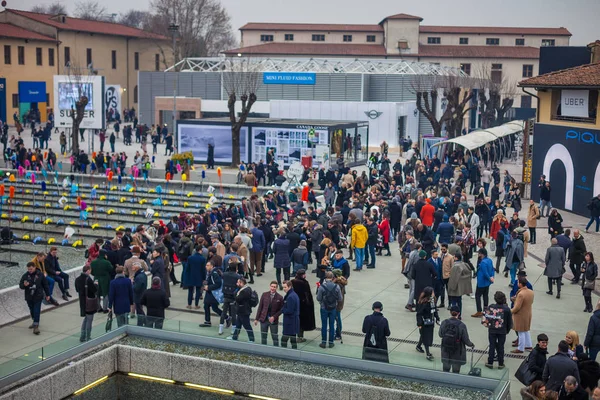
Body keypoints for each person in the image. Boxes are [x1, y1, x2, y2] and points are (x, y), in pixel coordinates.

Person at [439, 305, 475, 373]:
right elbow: (466, 340)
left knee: (445, 370)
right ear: (459, 313)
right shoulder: (461, 325)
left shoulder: (444, 322)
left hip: (445, 350)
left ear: (450, 312)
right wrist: (471, 345)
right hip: (457, 351)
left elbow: (440, 334)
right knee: (456, 371)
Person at [19, 262, 51, 335]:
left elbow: (45, 284)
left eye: (31, 269)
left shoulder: (40, 274)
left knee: (36, 310)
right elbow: (20, 286)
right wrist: (24, 285)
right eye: (28, 269)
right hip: (29, 296)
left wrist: (48, 294)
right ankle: (34, 321)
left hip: (38, 295)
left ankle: (36, 326)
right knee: (32, 310)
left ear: (34, 267)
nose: (29, 270)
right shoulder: (25, 275)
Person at [482, 291, 512, 369]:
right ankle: (501, 363)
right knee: (501, 346)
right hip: (502, 331)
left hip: (492, 330)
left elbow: (486, 318)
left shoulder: (491, 307)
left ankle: (490, 362)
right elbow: (509, 322)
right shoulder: (507, 309)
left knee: (492, 345)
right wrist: (507, 330)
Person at [316, 271, 343, 349]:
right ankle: (331, 342)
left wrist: (321, 302)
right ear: (332, 278)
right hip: (333, 308)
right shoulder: (336, 287)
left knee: (324, 325)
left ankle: (323, 342)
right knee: (332, 325)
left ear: (325, 277)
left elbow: (318, 298)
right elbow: (340, 298)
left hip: (324, 308)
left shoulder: (322, 287)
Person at [254, 281, 284, 346]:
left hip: (273, 321)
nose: (273, 288)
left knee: (275, 337)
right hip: (263, 319)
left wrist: (274, 317)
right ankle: (264, 350)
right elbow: (260, 307)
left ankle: (276, 350)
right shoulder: (264, 295)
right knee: (263, 337)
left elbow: (281, 310)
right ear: (270, 286)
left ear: (276, 288)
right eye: (272, 286)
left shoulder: (280, 297)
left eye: (274, 287)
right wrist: (256, 319)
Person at [511, 277, 535, 354]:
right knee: (526, 330)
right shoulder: (531, 292)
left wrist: (510, 311)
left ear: (520, 284)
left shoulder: (521, 294)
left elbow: (517, 307)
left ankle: (520, 348)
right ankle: (528, 345)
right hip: (528, 313)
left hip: (520, 315)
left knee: (520, 331)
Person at [291, 269, 316, 342]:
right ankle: (300, 337)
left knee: (296, 321)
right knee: (302, 322)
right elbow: (307, 294)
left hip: (295, 304)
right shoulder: (304, 283)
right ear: (302, 275)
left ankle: (295, 336)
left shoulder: (293, 282)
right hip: (303, 306)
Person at [75, 265, 97, 342]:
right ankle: (88, 336)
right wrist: (96, 285)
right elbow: (94, 290)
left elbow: (77, 290)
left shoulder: (77, 279)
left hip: (82, 301)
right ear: (88, 270)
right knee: (89, 319)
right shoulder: (88, 279)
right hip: (89, 302)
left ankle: (82, 336)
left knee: (86, 318)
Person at [416, 287, 439, 361]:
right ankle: (428, 353)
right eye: (432, 292)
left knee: (424, 335)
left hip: (430, 322)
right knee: (426, 337)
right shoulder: (424, 303)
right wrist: (419, 324)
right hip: (424, 323)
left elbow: (434, 310)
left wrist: (437, 318)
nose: (434, 293)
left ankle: (419, 346)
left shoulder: (432, 301)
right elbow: (419, 314)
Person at [230, 277, 255, 342]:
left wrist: (236, 290)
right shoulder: (247, 289)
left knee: (247, 326)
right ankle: (234, 337)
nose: (236, 283)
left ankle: (251, 339)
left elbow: (237, 298)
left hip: (244, 311)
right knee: (238, 325)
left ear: (241, 283)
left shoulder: (244, 291)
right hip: (241, 311)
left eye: (238, 282)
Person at [199, 261, 223, 327]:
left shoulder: (214, 273)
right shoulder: (210, 273)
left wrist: (208, 287)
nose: (206, 266)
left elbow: (218, 284)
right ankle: (226, 318)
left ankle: (208, 321)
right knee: (212, 307)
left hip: (212, 293)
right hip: (210, 293)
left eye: (207, 265)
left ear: (212, 266)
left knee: (210, 307)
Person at [473, 248, 495, 318]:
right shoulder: (489, 260)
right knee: (485, 295)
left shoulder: (483, 262)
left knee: (477, 296)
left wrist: (488, 277)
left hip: (481, 281)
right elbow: (492, 269)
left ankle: (479, 311)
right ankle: (485, 310)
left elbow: (485, 272)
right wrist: (492, 277)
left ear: (481, 254)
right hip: (487, 282)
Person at [184, 246, 206, 310]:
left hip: (191, 276)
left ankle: (189, 304)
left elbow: (187, 268)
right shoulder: (202, 259)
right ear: (200, 250)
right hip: (199, 276)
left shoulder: (190, 258)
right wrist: (204, 278)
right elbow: (203, 270)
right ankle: (196, 305)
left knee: (190, 291)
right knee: (198, 291)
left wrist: (186, 276)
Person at [281, 280, 300, 348]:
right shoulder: (293, 294)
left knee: (284, 340)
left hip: (290, 321)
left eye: (285, 287)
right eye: (283, 287)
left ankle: (284, 353)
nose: (284, 289)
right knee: (293, 339)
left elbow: (289, 310)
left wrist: (282, 310)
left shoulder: (290, 297)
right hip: (293, 320)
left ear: (290, 287)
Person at [131, 262, 147, 327]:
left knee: (139, 311)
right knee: (140, 310)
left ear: (137, 267)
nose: (132, 267)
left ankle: (143, 323)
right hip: (141, 295)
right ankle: (142, 322)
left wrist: (132, 285)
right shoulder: (141, 274)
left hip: (139, 296)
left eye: (133, 266)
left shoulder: (139, 276)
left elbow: (136, 288)